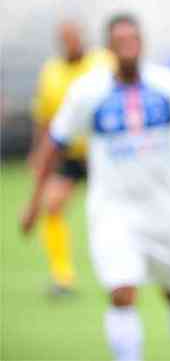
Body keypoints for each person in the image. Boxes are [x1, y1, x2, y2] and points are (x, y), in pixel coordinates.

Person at [21, 13, 170, 361]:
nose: (128, 48)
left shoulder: (166, 83)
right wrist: (35, 202)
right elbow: (55, 140)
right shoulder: (87, 91)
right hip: (113, 210)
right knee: (122, 292)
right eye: (120, 42)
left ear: (142, 44)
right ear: (109, 47)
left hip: (163, 209)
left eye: (134, 41)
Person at [29, 20, 114, 294]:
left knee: (111, 211)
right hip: (70, 154)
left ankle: (121, 269)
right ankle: (62, 276)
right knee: (52, 205)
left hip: (103, 153)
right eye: (65, 38)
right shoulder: (51, 72)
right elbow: (44, 117)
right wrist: (38, 151)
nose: (71, 42)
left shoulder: (103, 62)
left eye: (74, 36)